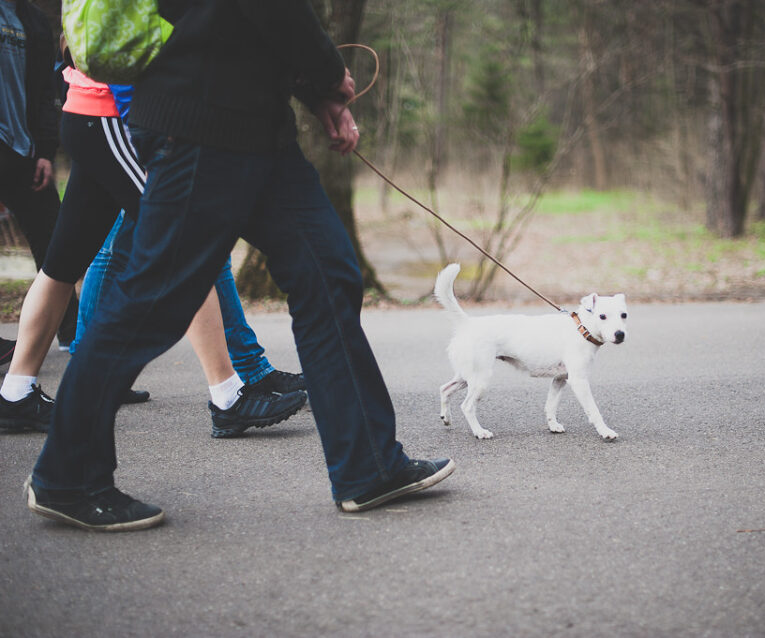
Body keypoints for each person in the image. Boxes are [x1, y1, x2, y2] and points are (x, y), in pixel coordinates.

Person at [25, 0, 455, 531]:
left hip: (257, 127)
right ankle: (66, 475)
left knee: (329, 272)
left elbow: (248, 26)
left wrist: (312, 92)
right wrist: (326, 75)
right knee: (154, 299)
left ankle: (368, 467)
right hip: (201, 125)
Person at [0, 60, 308, 437]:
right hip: (117, 117)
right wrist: (153, 126)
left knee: (61, 264)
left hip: (89, 114)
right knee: (188, 242)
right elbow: (130, 55)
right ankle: (228, 397)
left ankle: (16, 393)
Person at [0, 0, 78, 349]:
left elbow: (47, 89)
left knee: (56, 243)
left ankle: (71, 331)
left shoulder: (30, 17)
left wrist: (45, 151)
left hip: (26, 149)